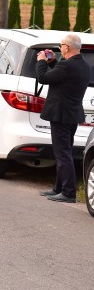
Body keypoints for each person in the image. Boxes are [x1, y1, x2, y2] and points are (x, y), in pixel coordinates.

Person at [37, 34, 91, 203]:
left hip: (61, 115)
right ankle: (59, 188)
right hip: (72, 114)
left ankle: (68, 192)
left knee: (63, 154)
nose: (60, 48)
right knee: (64, 151)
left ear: (67, 47)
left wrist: (41, 61)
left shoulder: (67, 66)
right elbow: (60, 75)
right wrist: (53, 62)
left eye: (61, 46)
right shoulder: (83, 65)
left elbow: (43, 78)